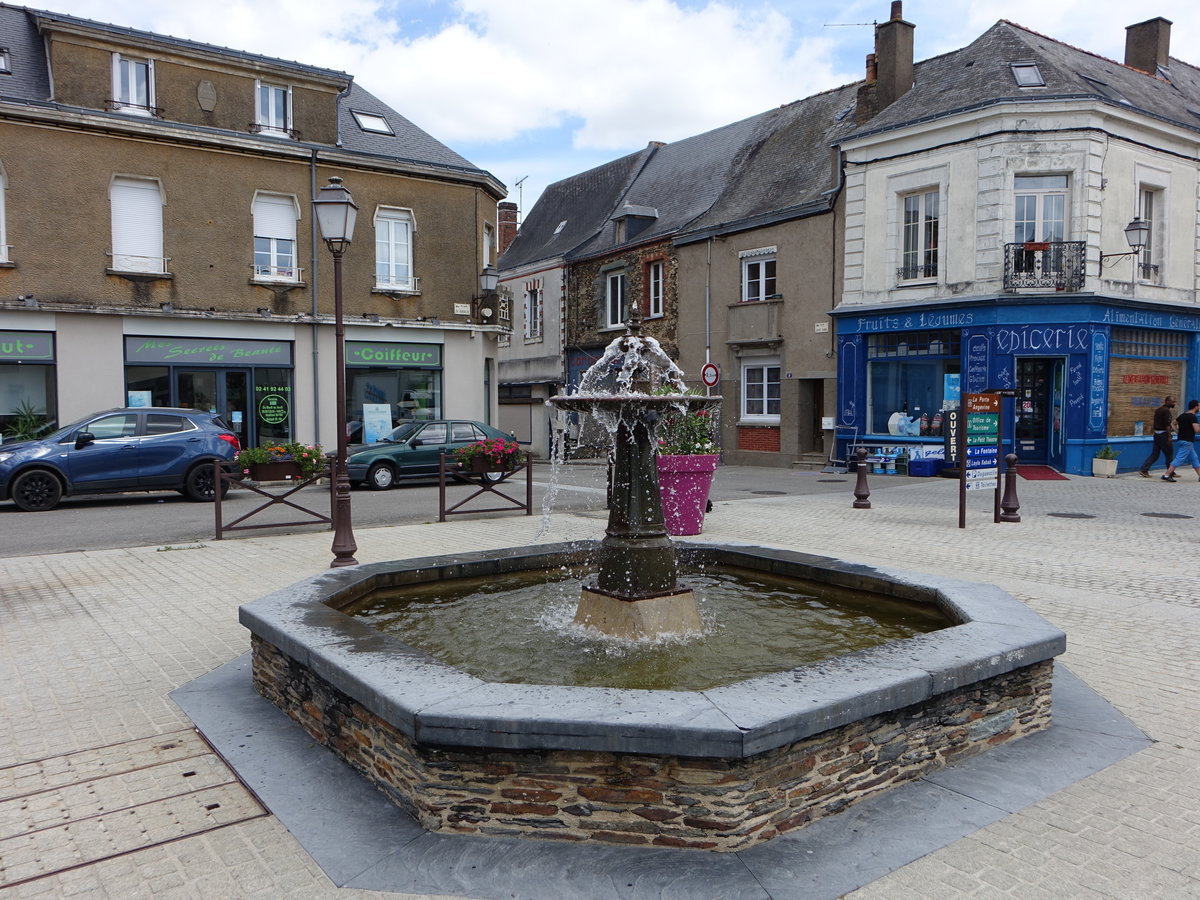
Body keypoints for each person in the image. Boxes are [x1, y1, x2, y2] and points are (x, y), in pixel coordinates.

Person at [1163, 399, 1200, 482]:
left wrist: (1177, 431)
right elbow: (1197, 430)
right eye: (1199, 406)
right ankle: (1166, 475)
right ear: (1195, 407)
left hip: (1182, 440)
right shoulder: (1192, 416)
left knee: (1194, 458)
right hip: (1187, 441)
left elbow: (1173, 423)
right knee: (1179, 458)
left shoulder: (1182, 415)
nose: (1199, 408)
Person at [1139, 395, 1176, 477]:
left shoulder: (1159, 410)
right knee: (1169, 453)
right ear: (1167, 401)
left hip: (1156, 435)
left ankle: (1144, 469)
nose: (1174, 403)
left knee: (1155, 454)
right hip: (1163, 435)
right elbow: (1167, 425)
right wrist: (1169, 436)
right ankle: (1170, 472)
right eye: (1173, 402)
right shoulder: (1166, 411)